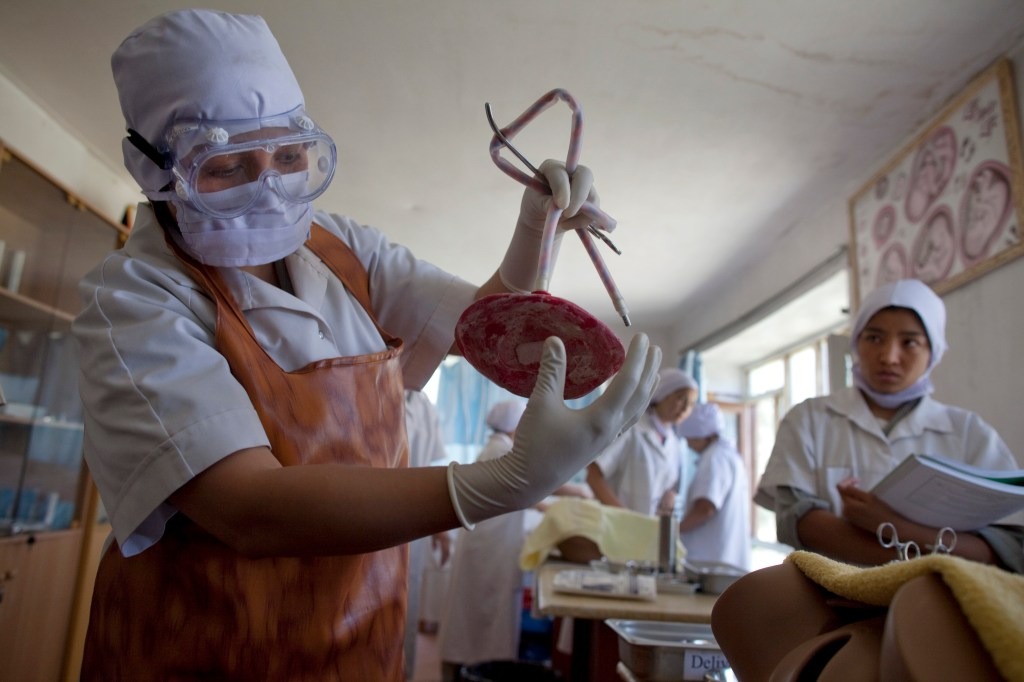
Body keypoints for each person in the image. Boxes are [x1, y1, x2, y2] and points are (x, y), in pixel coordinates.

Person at [72, 9, 662, 680]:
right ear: (151, 170)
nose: (271, 188)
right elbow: (250, 510)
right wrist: (495, 485)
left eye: (291, 157)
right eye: (228, 166)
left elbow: (482, 323)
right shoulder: (134, 301)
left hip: (360, 639)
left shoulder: (340, 248)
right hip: (202, 651)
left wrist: (536, 229)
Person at [755, 278, 1023, 571]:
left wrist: (891, 525)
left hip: (942, 600)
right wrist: (928, 554)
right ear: (856, 341)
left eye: (909, 342)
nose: (889, 357)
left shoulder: (969, 433)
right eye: (874, 338)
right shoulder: (808, 419)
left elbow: (1007, 546)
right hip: (831, 597)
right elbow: (798, 521)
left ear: (933, 351)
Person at [438, 400, 529, 681]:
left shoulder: (497, 447)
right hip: (490, 549)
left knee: (477, 610)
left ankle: (471, 664)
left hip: (490, 545)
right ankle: (477, 668)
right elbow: (527, 484)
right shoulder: (501, 450)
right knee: (483, 610)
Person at [587, 368, 697, 515]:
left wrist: (669, 496)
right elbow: (593, 474)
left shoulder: (675, 444)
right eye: (681, 398)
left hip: (649, 527)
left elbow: (666, 486)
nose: (685, 408)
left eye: (691, 404)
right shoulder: (630, 428)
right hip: (615, 524)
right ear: (663, 393)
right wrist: (624, 516)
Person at [403, 389, 451, 679]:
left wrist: (441, 527)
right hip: (374, 518)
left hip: (415, 528)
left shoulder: (422, 404)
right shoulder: (370, 382)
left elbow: (434, 465)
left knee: (407, 606)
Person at [677, 402, 752, 570]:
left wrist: (673, 532)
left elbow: (705, 508)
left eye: (690, 440)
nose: (689, 445)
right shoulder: (728, 455)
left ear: (699, 435)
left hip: (711, 560)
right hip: (723, 557)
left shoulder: (715, 458)